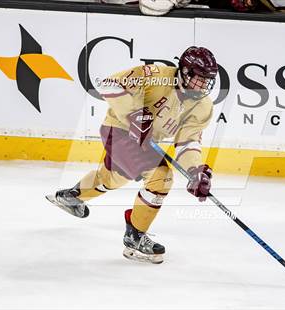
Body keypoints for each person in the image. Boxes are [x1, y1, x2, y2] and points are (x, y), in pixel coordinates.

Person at [46, 46, 218, 264]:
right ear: (185, 71)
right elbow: (110, 84)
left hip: (145, 143)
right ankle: (135, 236)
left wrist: (195, 170)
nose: (203, 85)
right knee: (161, 178)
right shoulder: (156, 75)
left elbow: (188, 141)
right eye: (200, 79)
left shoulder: (203, 106)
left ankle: (72, 196)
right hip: (119, 131)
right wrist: (134, 114)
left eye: (208, 80)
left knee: (112, 178)